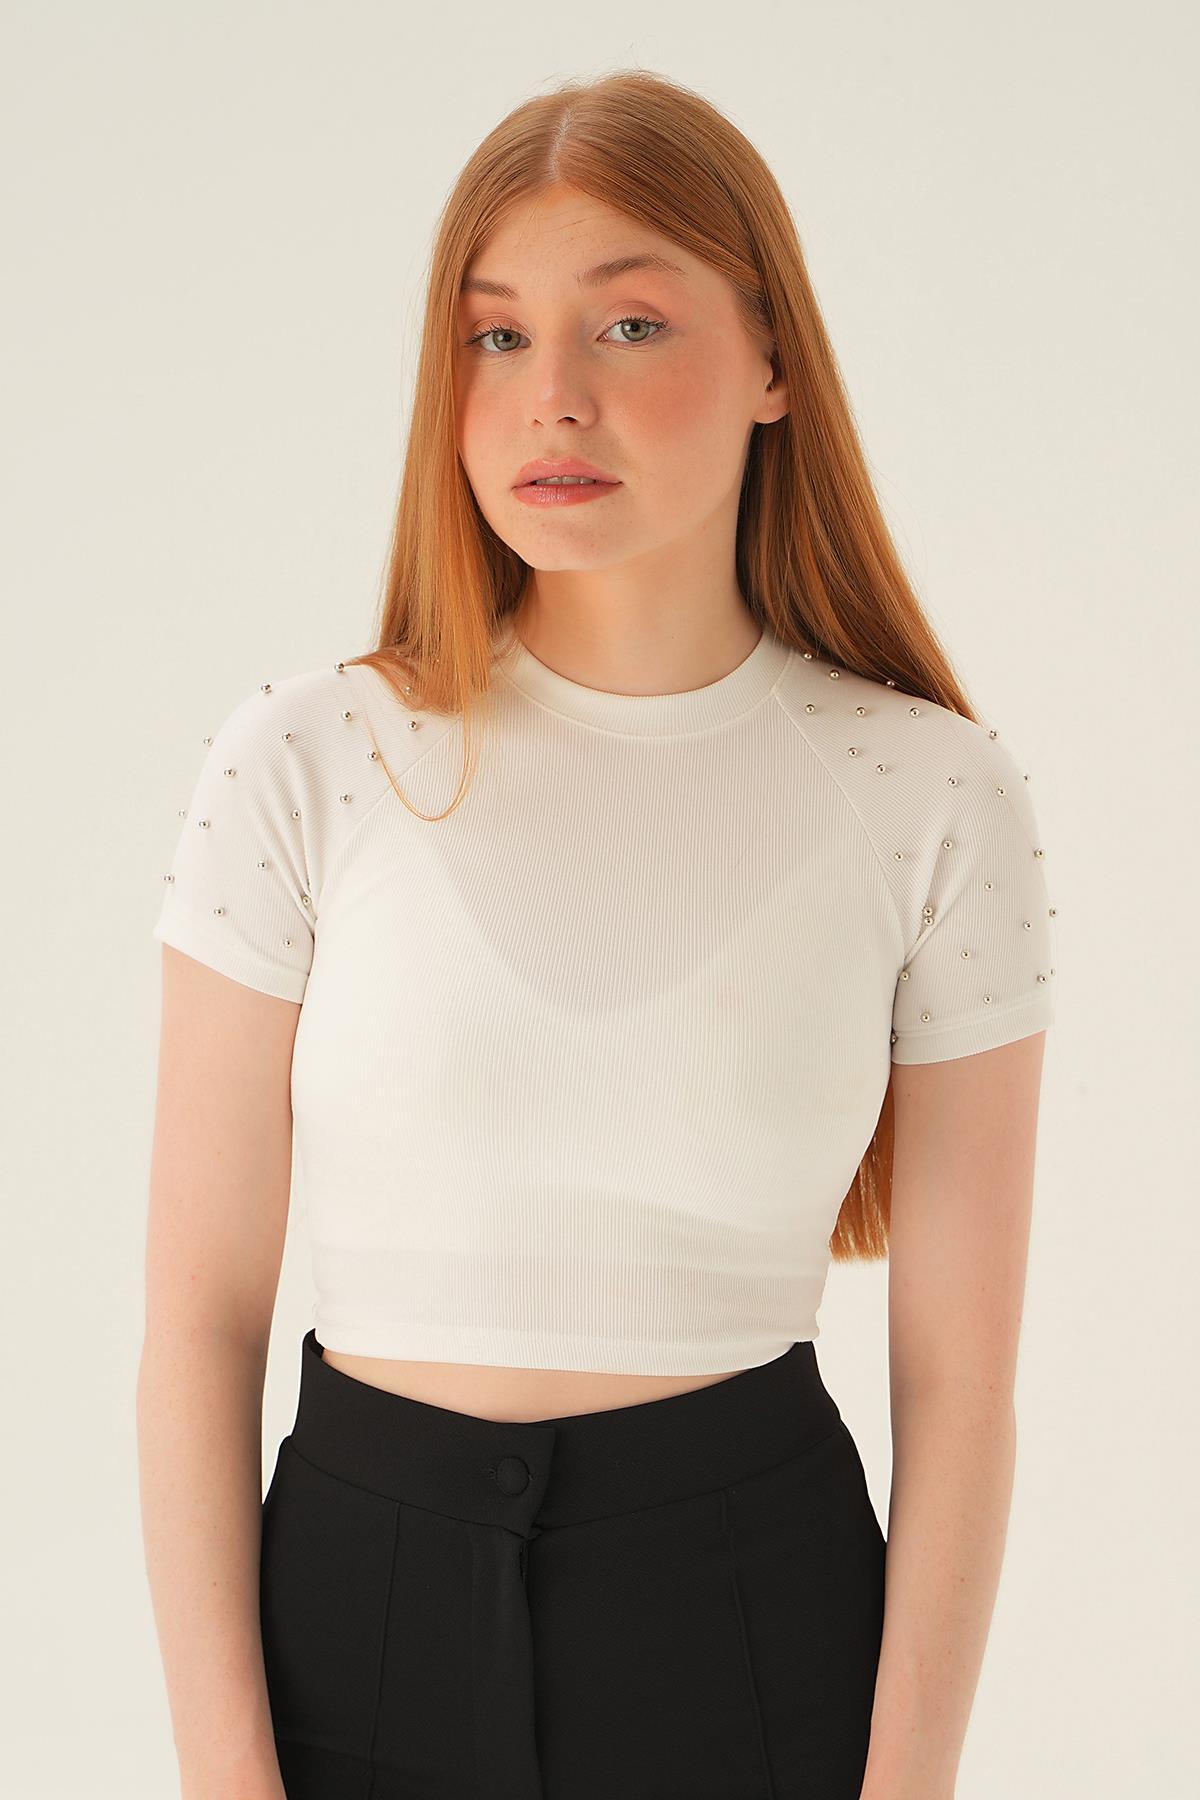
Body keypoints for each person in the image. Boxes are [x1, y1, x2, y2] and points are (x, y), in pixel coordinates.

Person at [138, 68, 1059, 1800]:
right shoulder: (310, 762)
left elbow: (959, 1384)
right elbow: (197, 1321)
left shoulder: (927, 794)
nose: (552, 395)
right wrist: (222, 1777)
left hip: (753, 1629)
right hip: (352, 1627)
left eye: (630, 323)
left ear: (775, 360)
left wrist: (909, 1785)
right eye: (496, 337)